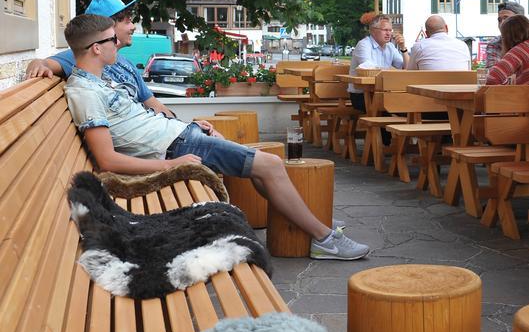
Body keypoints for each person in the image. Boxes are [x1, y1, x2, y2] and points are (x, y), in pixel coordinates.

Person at [62, 13, 370, 261]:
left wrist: (190, 124)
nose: (118, 42)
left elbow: (140, 123)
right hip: (178, 149)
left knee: (264, 168)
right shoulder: (85, 92)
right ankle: (324, 239)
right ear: (96, 49)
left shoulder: (99, 81)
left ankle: (311, 229)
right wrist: (175, 166)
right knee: (271, 165)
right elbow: (106, 159)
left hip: (183, 136)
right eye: (112, 39)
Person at [25, 0, 177, 118]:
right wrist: (38, 64)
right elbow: (44, 63)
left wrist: (181, 125)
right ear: (107, 26)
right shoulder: (84, 56)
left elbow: (153, 104)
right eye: (127, 22)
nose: (132, 27)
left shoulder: (126, 63)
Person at [347, 14, 407, 113]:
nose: (389, 34)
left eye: (390, 30)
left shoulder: (390, 47)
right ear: (373, 30)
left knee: (409, 106)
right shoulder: (363, 45)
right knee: (392, 109)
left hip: (382, 93)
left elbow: (407, 68)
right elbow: (368, 69)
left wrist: (403, 48)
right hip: (362, 95)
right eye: (385, 30)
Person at [407, 15, 471, 70]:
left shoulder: (419, 47)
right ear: (446, 28)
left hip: (430, 84)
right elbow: (468, 69)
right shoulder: (463, 45)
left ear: (426, 33)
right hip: (461, 84)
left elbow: (411, 73)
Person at [484, 1, 525, 68]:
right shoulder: (495, 44)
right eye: (499, 20)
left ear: (521, 22)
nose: (502, 23)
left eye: (507, 18)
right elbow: (494, 74)